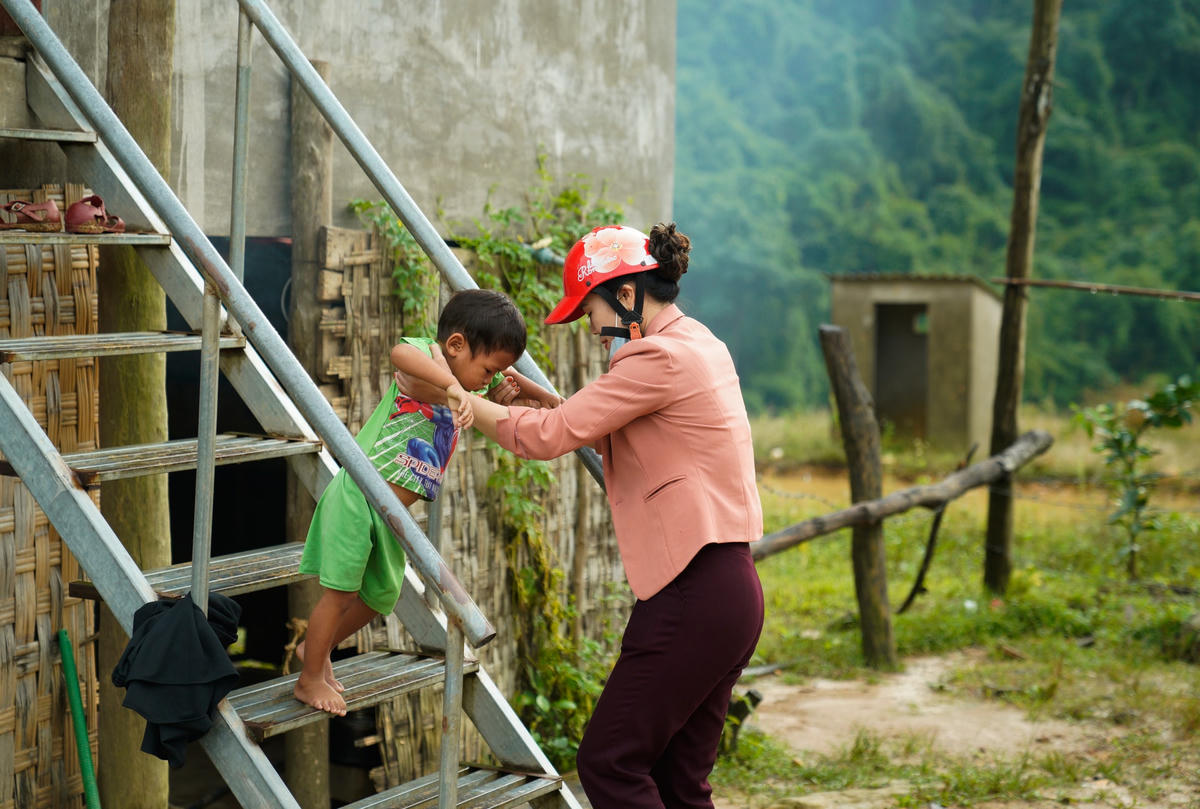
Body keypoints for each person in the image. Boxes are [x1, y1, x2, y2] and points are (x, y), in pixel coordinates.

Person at [414, 223, 765, 809]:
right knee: (680, 781)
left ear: (627, 296)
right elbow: (624, 430)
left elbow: (552, 437)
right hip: (729, 592)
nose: (592, 328)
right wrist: (546, 399)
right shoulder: (697, 342)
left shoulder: (655, 356)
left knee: (610, 761)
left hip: (692, 591)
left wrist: (456, 395)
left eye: (590, 310)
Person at [294, 288, 561, 715]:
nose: (489, 381)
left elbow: (506, 381)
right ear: (456, 346)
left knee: (377, 597)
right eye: (487, 368)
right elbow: (402, 353)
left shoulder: (471, 380)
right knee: (340, 594)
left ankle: (316, 647)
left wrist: (543, 396)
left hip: (392, 515)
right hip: (360, 495)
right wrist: (454, 384)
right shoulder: (431, 358)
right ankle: (309, 679)